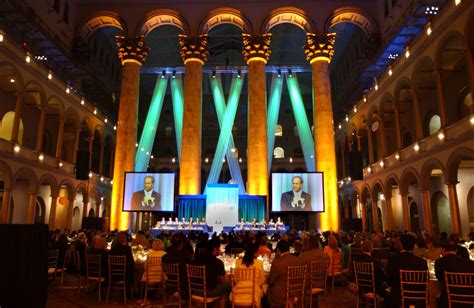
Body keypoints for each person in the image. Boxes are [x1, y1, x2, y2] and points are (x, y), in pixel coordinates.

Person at [387, 234, 427, 308]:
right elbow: (425, 281)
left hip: (398, 297)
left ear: (401, 244)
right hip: (418, 297)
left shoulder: (393, 260)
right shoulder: (421, 262)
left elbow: (389, 279)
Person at [266, 238, 304, 308]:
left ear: (278, 250)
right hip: (298, 292)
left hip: (282, 294)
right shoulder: (299, 260)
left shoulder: (277, 263)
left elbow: (270, 280)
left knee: (266, 289)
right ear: (289, 248)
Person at [231, 243, 265, 307]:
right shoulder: (259, 263)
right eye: (258, 251)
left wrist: (241, 283)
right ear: (254, 252)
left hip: (238, 293)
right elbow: (262, 280)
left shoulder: (238, 261)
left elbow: (235, 279)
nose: (259, 252)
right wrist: (256, 284)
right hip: (253, 294)